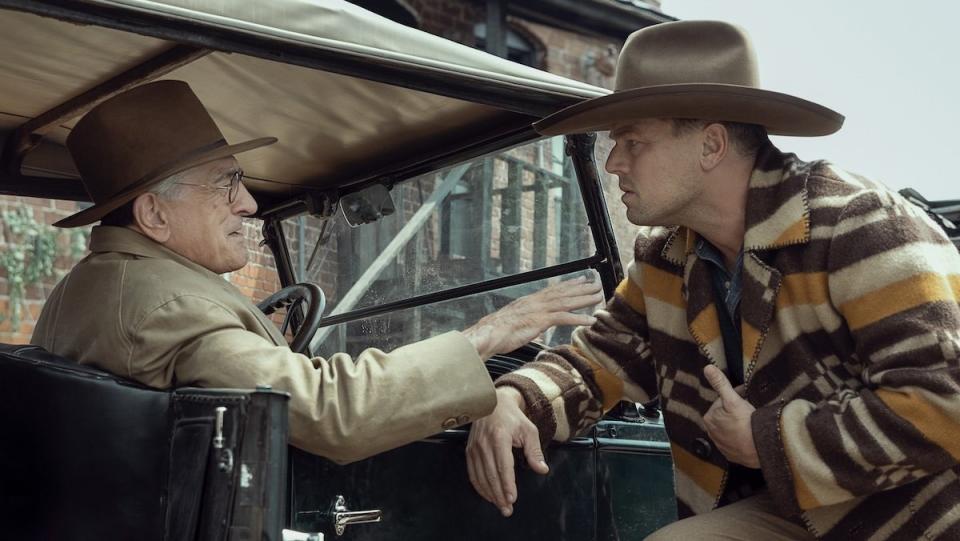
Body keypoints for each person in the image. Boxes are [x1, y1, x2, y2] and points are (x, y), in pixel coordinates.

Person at [466, 20, 960, 540]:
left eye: (633, 141)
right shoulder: (666, 258)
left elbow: (944, 403)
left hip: (914, 515)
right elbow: (597, 364)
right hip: (788, 511)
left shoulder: (859, 224)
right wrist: (515, 398)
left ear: (711, 145)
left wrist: (769, 440)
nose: (613, 163)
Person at [30, 80, 602, 464]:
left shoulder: (92, 288)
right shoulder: (172, 306)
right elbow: (332, 414)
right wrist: (488, 335)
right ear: (154, 214)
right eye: (226, 183)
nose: (249, 205)